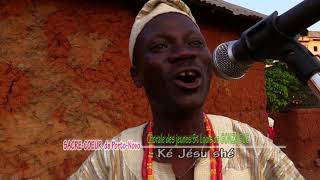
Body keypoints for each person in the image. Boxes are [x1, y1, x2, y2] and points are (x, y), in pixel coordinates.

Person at [69, 0, 304, 179]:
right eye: (160, 46)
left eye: (195, 43)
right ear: (137, 75)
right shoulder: (112, 159)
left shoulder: (249, 145)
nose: (185, 53)